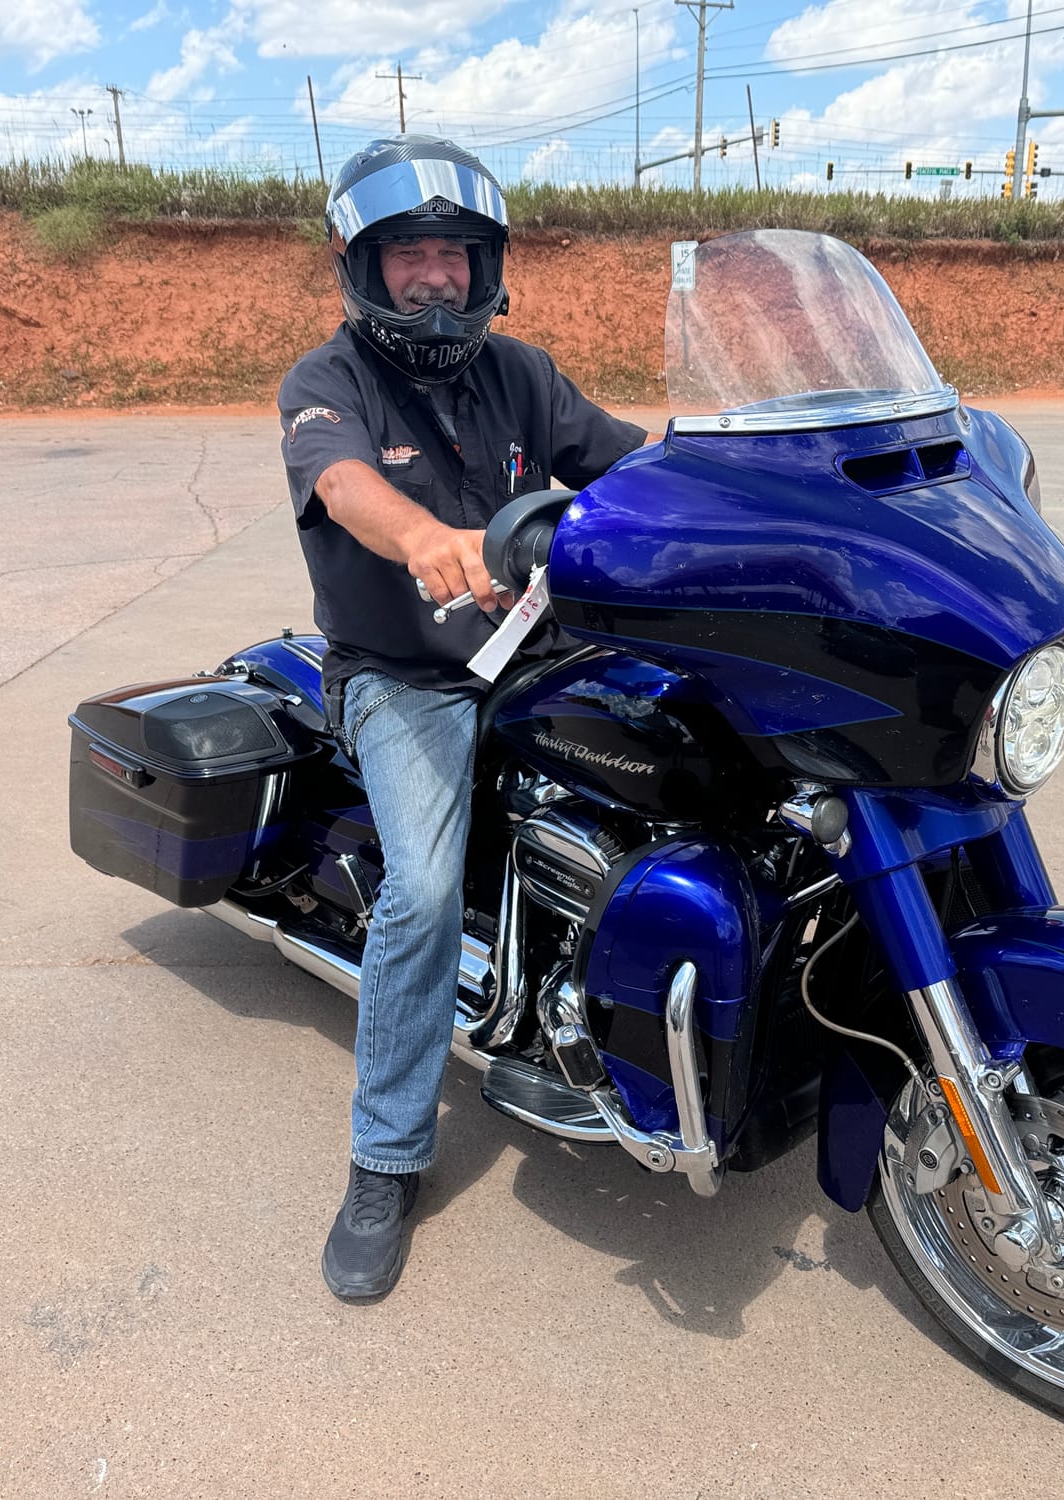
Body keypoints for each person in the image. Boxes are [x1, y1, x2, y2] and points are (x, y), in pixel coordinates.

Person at [276, 136, 647, 1300]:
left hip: (540, 652)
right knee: (424, 891)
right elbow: (347, 487)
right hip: (407, 674)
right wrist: (426, 539)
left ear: (484, 264)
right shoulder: (324, 383)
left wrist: (745, 469)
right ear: (365, 267)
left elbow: (629, 464)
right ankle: (384, 1156)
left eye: (452, 253)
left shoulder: (524, 374)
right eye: (409, 257)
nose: (435, 276)